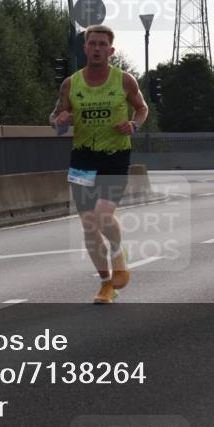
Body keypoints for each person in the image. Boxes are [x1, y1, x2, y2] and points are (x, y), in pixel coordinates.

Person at [52, 24, 149, 304]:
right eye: (92, 44)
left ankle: (119, 256)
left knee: (103, 215)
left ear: (111, 50)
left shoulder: (125, 80)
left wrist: (133, 124)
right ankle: (106, 283)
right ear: (85, 49)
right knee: (88, 225)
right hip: (83, 157)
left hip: (114, 157)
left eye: (102, 45)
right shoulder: (71, 83)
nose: (96, 49)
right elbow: (56, 119)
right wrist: (59, 122)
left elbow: (142, 108)